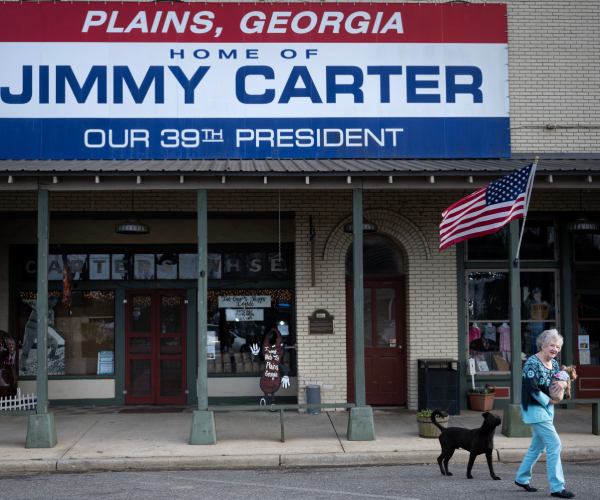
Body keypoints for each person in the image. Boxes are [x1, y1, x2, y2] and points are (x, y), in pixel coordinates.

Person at [515, 329, 575, 498]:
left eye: (557, 346)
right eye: (551, 345)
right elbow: (532, 389)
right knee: (555, 444)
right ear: (542, 346)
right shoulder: (531, 363)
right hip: (535, 408)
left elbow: (561, 376)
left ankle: (521, 478)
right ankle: (557, 487)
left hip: (548, 409)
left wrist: (564, 383)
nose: (555, 349)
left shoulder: (554, 363)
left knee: (537, 447)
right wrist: (550, 401)